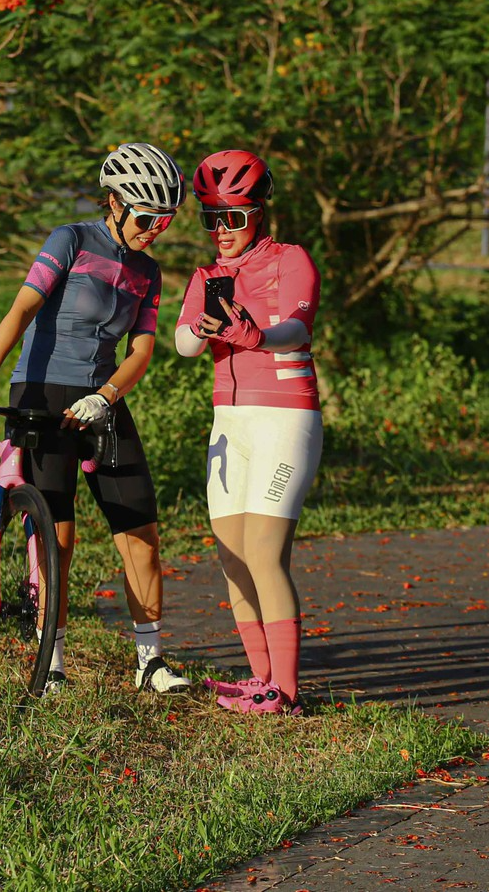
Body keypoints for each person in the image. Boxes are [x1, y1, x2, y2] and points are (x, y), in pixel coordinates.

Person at [0, 143, 194, 696]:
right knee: (57, 535)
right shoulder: (73, 240)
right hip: (41, 390)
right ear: (114, 202)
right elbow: (24, 308)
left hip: (101, 398)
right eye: (147, 217)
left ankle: (150, 660)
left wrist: (107, 395)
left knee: (140, 529)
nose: (155, 229)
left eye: (166, 220)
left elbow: (141, 351)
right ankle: (52, 660)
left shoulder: (148, 272)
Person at [174, 149, 322, 715]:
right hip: (228, 422)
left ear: (258, 213)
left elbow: (296, 328)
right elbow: (186, 343)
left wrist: (251, 333)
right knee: (232, 557)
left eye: (232, 218)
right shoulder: (209, 275)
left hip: (285, 415)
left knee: (264, 553)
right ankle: (262, 681)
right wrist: (207, 326)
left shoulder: (290, 259)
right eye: (211, 219)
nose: (221, 231)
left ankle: (285, 693)